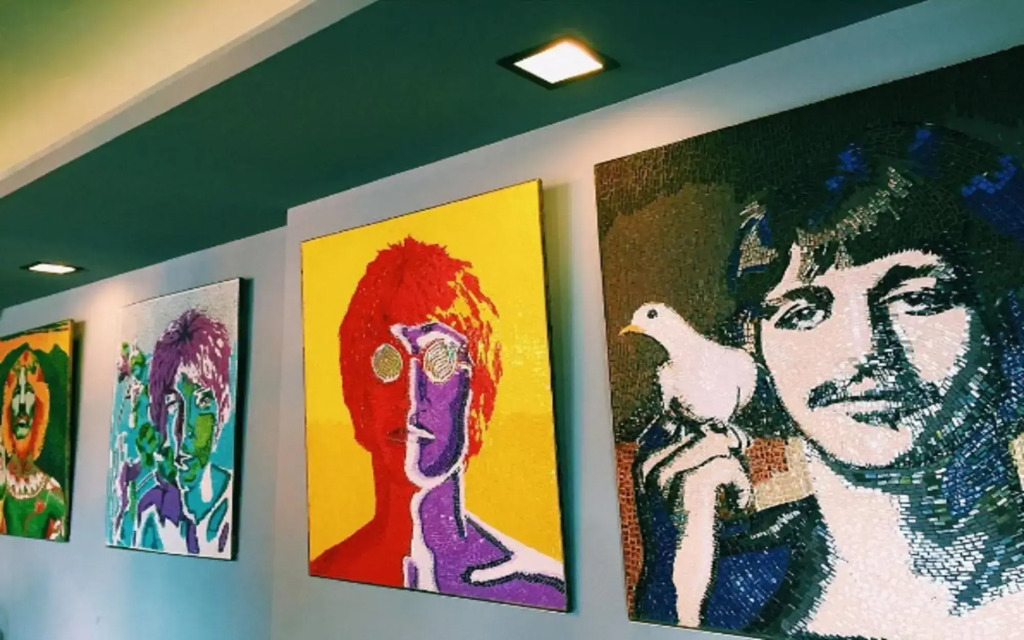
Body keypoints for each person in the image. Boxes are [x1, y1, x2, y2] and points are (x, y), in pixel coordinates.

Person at [629, 123, 1024, 639]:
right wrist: (679, 584)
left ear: (1006, 324)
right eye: (802, 313)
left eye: (916, 299)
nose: (861, 351)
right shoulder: (723, 582)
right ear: (755, 350)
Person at [310, 237, 566, 609]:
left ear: (477, 394)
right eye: (387, 363)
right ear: (358, 393)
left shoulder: (542, 590)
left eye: (440, 362)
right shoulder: (325, 575)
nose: (412, 397)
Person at [112, 309, 234, 557]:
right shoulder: (148, 511)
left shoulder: (232, 512)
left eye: (202, 403)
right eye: (173, 404)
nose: (185, 429)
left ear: (222, 409)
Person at [0, 349, 67, 540]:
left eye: (28, 393)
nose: (21, 404)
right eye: (16, 393)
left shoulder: (51, 493)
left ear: (39, 406)